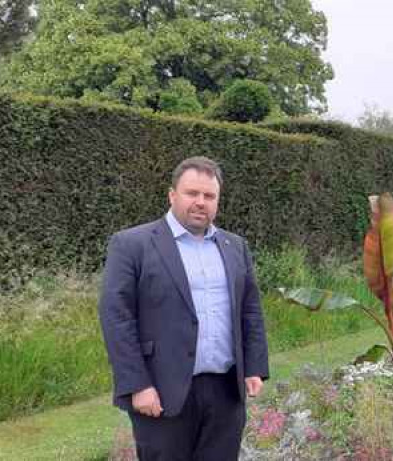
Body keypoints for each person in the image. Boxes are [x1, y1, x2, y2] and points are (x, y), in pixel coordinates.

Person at [99, 156, 270, 460]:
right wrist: (137, 384)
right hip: (162, 391)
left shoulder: (235, 246)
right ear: (172, 195)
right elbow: (117, 319)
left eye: (209, 196)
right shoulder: (132, 245)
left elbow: (250, 310)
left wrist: (254, 366)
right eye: (192, 193)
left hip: (225, 391)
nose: (201, 202)